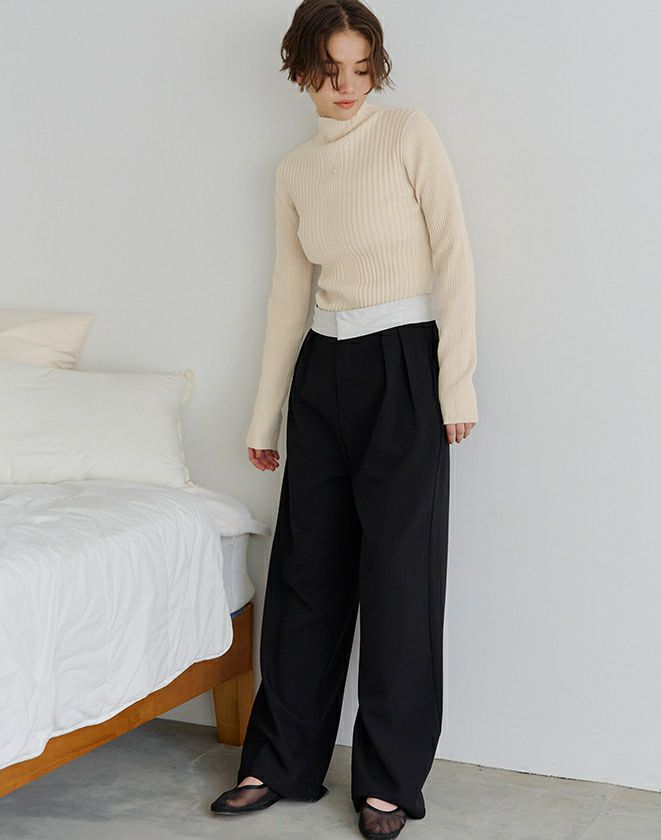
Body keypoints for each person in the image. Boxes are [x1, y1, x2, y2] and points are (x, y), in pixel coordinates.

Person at [210, 1, 478, 837]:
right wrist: (264, 418)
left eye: (363, 69)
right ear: (301, 71)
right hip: (322, 371)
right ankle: (280, 761)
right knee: (306, 574)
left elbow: (454, 256)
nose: (348, 86)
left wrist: (456, 385)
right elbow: (288, 295)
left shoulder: (407, 135)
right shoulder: (294, 170)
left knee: (398, 580)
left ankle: (388, 781)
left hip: (405, 366)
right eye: (331, 72)